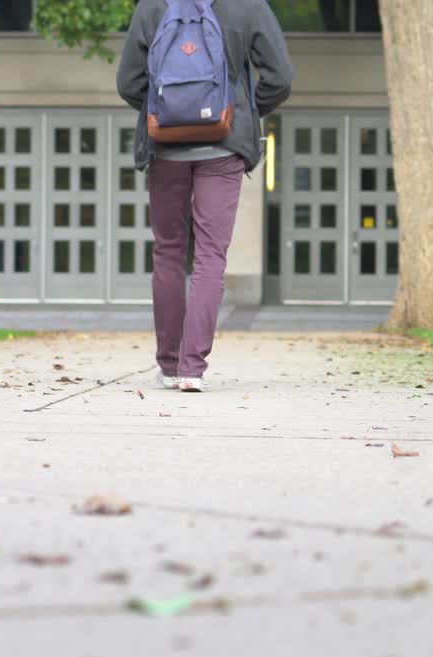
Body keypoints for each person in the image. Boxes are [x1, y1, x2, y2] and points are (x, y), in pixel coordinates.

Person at [117, 0, 293, 392]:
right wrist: (237, 112)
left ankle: (169, 365)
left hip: (166, 149)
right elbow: (280, 77)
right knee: (211, 254)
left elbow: (128, 83)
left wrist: (170, 112)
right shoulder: (248, 6)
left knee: (168, 250)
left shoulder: (152, 7)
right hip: (224, 147)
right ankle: (192, 369)